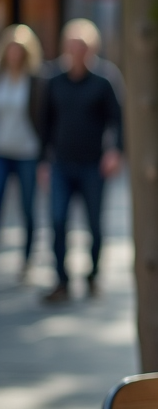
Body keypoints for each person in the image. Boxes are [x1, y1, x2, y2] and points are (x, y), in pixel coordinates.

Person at [41, 19, 122, 303]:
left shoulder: (104, 80)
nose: (76, 52)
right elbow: (45, 123)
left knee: (94, 225)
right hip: (61, 163)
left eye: (82, 47)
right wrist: (42, 162)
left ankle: (93, 276)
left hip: (93, 165)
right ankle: (61, 281)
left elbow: (119, 120)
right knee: (58, 221)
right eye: (72, 46)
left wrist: (115, 152)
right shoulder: (54, 80)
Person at [0, 24, 45, 282]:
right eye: (11, 49)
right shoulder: (1, 76)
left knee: (28, 208)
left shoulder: (37, 81)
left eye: (19, 50)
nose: (14, 54)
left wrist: (44, 158)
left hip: (27, 152)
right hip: (2, 151)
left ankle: (27, 259)